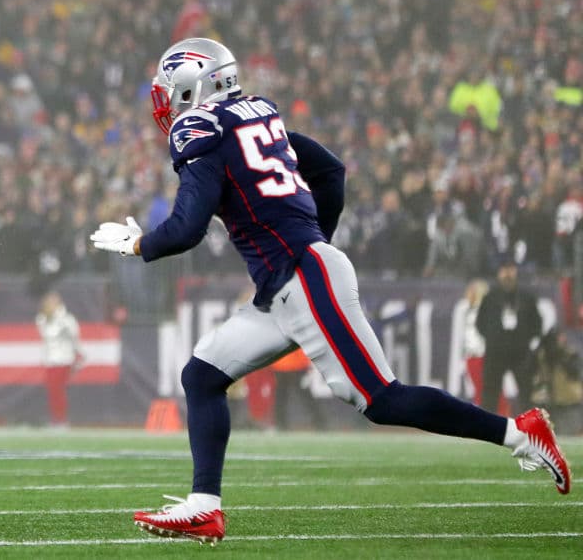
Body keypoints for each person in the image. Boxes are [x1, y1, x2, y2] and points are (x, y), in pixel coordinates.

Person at [90, 37, 571, 546]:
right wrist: (313, 238)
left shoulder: (200, 128)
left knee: (382, 400)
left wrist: (140, 244)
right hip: (288, 280)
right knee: (203, 374)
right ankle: (205, 507)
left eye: (171, 91)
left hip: (303, 274)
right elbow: (331, 171)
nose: (166, 105)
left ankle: (520, 433)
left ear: (194, 87)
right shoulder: (257, 115)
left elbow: (187, 228)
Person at [476, 258, 543, 414]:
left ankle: (528, 426)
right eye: (504, 270)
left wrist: (525, 341)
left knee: (527, 392)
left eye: (511, 269)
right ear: (498, 273)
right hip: (495, 352)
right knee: (490, 393)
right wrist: (493, 339)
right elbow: (480, 323)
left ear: (516, 272)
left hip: (521, 353)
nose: (507, 274)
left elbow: (537, 324)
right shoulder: (490, 298)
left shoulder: (526, 298)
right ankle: (488, 425)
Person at [35, 289, 84, 427]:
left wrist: (78, 354)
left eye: (53, 302)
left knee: (58, 390)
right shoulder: (42, 319)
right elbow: (48, 334)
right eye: (48, 302)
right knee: (52, 391)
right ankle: (55, 419)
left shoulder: (67, 319)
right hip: (50, 360)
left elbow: (74, 337)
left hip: (63, 359)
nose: (50, 305)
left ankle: (61, 419)